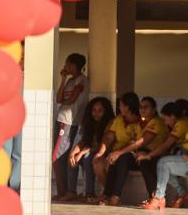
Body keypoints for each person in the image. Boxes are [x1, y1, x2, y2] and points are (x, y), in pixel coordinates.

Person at [145, 93, 188, 210]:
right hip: (187, 157)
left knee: (163, 163)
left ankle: (159, 198)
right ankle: (182, 194)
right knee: (163, 166)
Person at [94, 92, 144, 206]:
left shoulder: (141, 122)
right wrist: (101, 152)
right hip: (117, 153)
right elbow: (109, 137)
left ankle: (115, 196)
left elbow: (138, 143)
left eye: (121, 105)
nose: (119, 107)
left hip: (134, 156)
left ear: (127, 107)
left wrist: (118, 153)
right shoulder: (118, 120)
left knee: (121, 159)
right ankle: (106, 194)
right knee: (104, 160)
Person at [61, 97, 113, 202]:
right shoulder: (89, 123)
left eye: (100, 111)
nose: (96, 113)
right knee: (72, 158)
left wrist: (83, 152)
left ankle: (90, 194)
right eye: (94, 110)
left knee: (87, 158)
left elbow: (101, 145)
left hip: (103, 153)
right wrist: (73, 153)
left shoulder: (110, 123)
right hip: (90, 151)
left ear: (105, 111)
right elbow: (83, 141)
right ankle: (71, 192)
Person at [52, 53, 88, 200]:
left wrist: (65, 101)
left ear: (74, 65)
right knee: (61, 156)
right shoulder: (70, 81)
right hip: (62, 119)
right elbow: (59, 99)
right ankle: (64, 191)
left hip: (67, 121)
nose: (65, 66)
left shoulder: (82, 80)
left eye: (68, 64)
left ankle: (64, 192)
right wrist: (63, 79)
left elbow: (71, 100)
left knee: (57, 156)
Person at [131, 96, 170, 192]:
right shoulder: (140, 123)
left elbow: (143, 141)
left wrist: (140, 152)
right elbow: (133, 141)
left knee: (144, 161)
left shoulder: (157, 122)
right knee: (121, 160)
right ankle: (113, 195)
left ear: (154, 109)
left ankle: (154, 196)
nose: (142, 109)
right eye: (141, 107)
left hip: (157, 154)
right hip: (141, 152)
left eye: (146, 107)